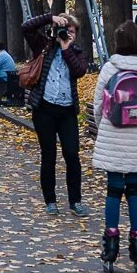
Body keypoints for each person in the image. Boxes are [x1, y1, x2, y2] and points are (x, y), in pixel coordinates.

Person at [93, 22, 137, 273]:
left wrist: (103, 127)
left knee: (113, 190)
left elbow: (99, 105)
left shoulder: (110, 69)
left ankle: (110, 248)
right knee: (134, 190)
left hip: (114, 132)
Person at [24, 12, 89, 216]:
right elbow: (26, 27)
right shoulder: (43, 45)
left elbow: (79, 71)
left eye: (70, 32)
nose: (66, 34)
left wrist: (66, 48)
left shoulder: (76, 52)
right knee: (49, 155)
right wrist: (50, 18)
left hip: (67, 111)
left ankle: (75, 201)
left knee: (72, 155)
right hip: (44, 110)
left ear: (75, 35)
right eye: (63, 30)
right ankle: (50, 201)